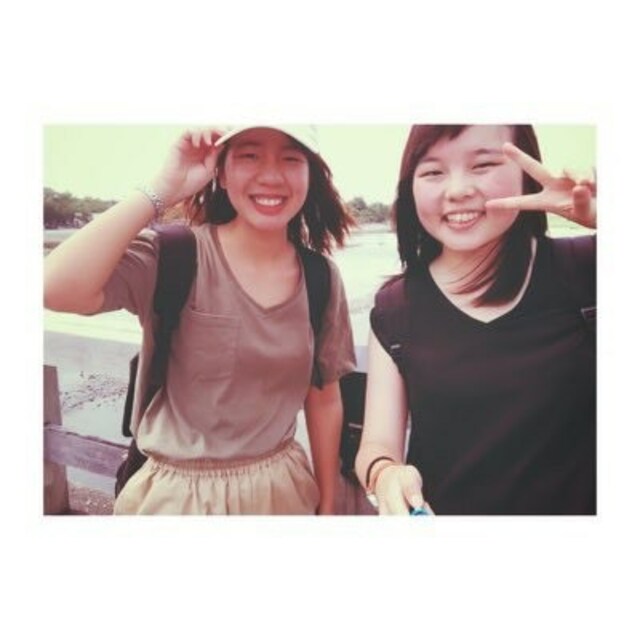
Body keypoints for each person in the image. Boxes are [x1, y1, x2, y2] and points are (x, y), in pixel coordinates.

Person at [44, 125, 356, 515]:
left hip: (284, 490)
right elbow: (54, 288)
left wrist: (328, 502)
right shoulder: (176, 255)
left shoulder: (320, 277)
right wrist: (162, 188)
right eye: (250, 155)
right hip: (176, 496)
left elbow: (324, 398)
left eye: (291, 158)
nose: (272, 175)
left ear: (310, 175)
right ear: (220, 173)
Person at [355, 125, 596, 515]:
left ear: (527, 172)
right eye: (433, 171)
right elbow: (378, 445)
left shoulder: (589, 268)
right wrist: (384, 474)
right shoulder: (395, 308)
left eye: (483, 165)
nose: (457, 190)